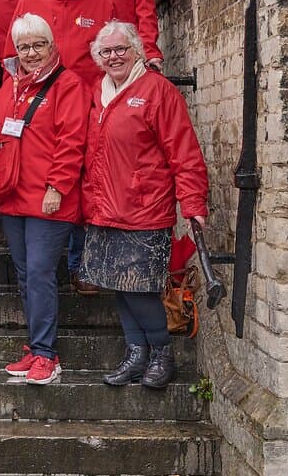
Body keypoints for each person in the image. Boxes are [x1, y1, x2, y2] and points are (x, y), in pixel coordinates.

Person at [80, 21, 208, 389]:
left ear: (137, 50)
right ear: (97, 58)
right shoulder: (98, 93)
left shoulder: (158, 91)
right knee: (118, 285)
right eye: (106, 51)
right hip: (104, 208)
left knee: (141, 288)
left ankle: (161, 354)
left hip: (144, 208)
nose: (114, 56)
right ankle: (135, 355)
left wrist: (193, 201)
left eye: (121, 49)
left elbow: (183, 151)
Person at [9, 0, 116, 295]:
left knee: (86, 184)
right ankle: (48, 269)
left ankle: (80, 263)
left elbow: (110, 57)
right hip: (42, 109)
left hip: (89, 108)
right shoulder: (30, 2)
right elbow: (18, 51)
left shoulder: (101, 4)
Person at [0, 14, 89, 385]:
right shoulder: (10, 84)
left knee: (41, 273)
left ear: (52, 45)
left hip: (48, 197)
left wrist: (58, 186)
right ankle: (36, 346)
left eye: (38, 45)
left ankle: (47, 354)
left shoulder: (68, 84)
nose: (31, 53)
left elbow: (72, 139)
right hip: (14, 193)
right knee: (25, 274)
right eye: (23, 46)